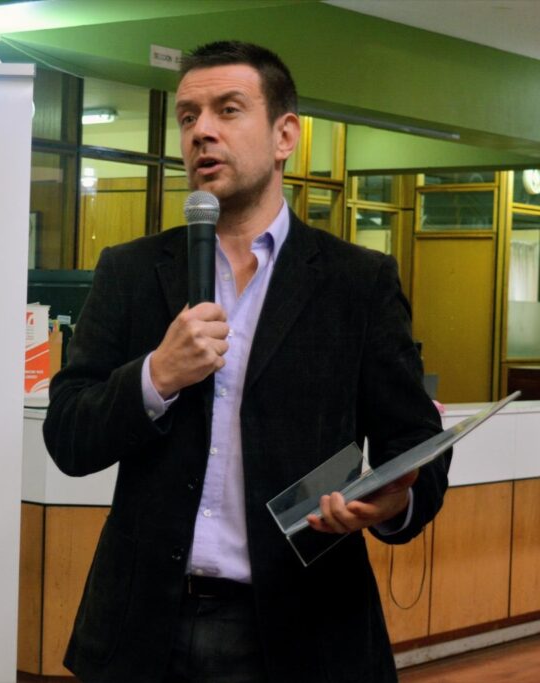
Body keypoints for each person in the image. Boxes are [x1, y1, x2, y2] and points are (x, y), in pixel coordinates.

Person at [42, 40, 448, 683]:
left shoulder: (357, 282)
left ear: (285, 133)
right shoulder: (131, 269)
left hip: (304, 632)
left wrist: (390, 503)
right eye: (187, 116)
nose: (202, 131)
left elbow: (417, 445)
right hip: (144, 630)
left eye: (228, 110)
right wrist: (156, 377)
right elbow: (67, 435)